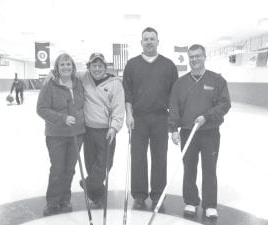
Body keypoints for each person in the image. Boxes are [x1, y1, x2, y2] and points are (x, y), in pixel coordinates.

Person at [168, 44, 231, 219]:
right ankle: (191, 201)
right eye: (192, 57)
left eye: (198, 56)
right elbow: (173, 106)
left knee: (209, 168)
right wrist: (173, 129)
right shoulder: (180, 83)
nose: (194, 59)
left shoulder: (217, 80)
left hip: (209, 132)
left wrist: (207, 116)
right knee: (189, 168)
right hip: (188, 132)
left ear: (204, 57)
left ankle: (210, 204)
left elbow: (225, 104)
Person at [123, 27, 178, 209]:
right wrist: (129, 115)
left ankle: (157, 195)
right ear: (141, 43)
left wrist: (173, 124)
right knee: (137, 157)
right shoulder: (131, 65)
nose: (149, 41)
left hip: (161, 117)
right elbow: (127, 94)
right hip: (138, 118)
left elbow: (174, 96)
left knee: (160, 157)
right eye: (145, 39)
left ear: (157, 41)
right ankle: (139, 195)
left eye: (152, 38)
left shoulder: (168, 65)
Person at [37, 53, 85, 216]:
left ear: (73, 67)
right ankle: (52, 202)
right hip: (56, 135)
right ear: (57, 68)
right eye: (62, 64)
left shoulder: (79, 83)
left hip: (77, 134)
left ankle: (65, 199)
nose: (66, 67)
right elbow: (41, 109)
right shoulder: (49, 85)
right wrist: (62, 118)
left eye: (68, 64)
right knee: (57, 168)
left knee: (70, 169)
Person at [78, 53, 125, 208]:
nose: (97, 69)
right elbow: (67, 72)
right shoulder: (83, 79)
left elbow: (118, 108)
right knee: (91, 164)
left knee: (105, 164)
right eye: (94, 66)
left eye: (100, 66)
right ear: (89, 67)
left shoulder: (115, 84)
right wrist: (53, 73)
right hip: (88, 130)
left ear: (105, 67)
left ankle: (88, 184)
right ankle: (98, 196)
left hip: (106, 130)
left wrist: (114, 127)